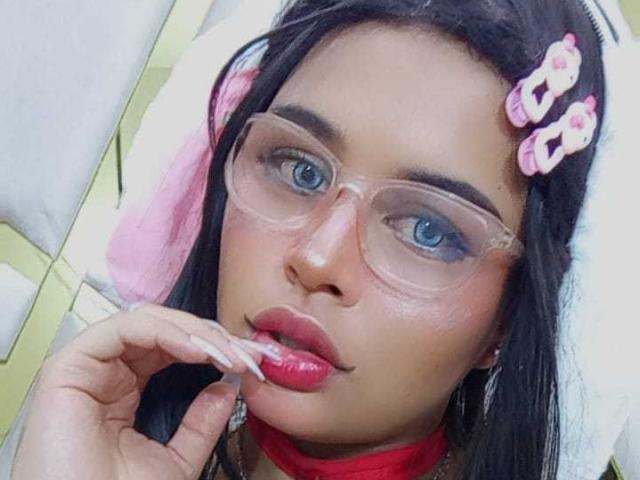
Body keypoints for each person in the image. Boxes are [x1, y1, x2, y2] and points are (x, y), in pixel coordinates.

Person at [12, 0, 626, 479]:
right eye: (298, 169)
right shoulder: (132, 454)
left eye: (429, 231)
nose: (315, 258)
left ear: (507, 319)